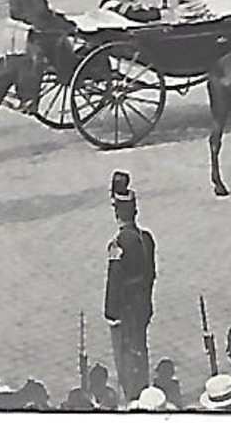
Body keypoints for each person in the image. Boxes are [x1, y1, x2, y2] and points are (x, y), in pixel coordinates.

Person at [104, 171, 155, 403]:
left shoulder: (118, 244)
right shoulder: (146, 238)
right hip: (143, 302)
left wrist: (111, 313)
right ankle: (143, 386)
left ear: (117, 213)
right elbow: (151, 274)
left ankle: (133, 393)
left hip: (126, 307)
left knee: (126, 353)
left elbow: (114, 281)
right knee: (141, 346)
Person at [7, 0, 76, 78]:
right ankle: (69, 64)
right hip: (40, 23)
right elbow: (41, 11)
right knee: (70, 27)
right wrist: (54, 15)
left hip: (27, 21)